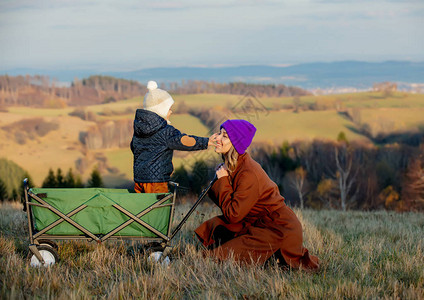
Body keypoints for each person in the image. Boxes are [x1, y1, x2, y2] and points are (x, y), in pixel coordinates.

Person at [195, 119, 319, 270]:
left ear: (236, 143)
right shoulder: (234, 165)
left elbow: (233, 214)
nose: (218, 138)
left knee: (215, 258)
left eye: (225, 136)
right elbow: (231, 207)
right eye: (220, 133)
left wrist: (223, 181)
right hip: (258, 224)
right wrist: (223, 179)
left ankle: (275, 257)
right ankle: (267, 258)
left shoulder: (248, 173)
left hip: (278, 230)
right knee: (217, 227)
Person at [131, 81, 217, 193]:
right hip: (156, 181)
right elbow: (183, 141)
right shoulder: (165, 131)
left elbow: (134, 147)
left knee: (141, 209)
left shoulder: (139, 130)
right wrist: (206, 142)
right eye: (169, 108)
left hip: (139, 179)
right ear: (161, 110)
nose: (171, 111)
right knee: (158, 209)